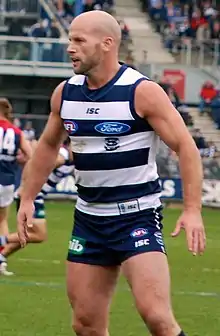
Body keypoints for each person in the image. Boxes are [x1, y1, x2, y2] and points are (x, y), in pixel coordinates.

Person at [17, 10, 206, 336]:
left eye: (78, 40)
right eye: (70, 40)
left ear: (107, 44)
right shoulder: (66, 93)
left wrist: (192, 210)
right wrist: (27, 198)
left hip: (137, 217)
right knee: (86, 325)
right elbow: (48, 147)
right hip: (88, 219)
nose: (70, 48)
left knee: (157, 318)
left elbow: (186, 147)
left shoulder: (141, 91)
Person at [0, 138, 74, 275]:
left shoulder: (71, 159)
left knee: (26, 235)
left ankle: (1, 257)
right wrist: (24, 185)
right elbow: (35, 163)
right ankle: (1, 241)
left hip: (35, 196)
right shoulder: (63, 155)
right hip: (33, 196)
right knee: (39, 235)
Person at [0, 98, 32, 275]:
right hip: (6, 181)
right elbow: (30, 156)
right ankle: (1, 261)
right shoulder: (16, 132)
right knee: (2, 220)